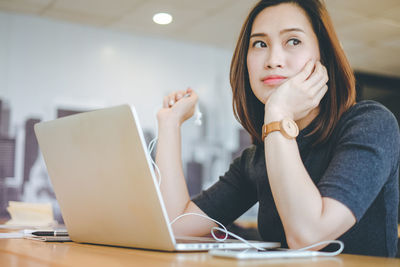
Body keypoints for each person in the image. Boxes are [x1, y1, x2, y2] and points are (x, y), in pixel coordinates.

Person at [155, 0, 400, 257]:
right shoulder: (257, 159)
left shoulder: (370, 123)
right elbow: (176, 227)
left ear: (323, 56)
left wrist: (278, 112)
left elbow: (307, 236)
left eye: (293, 41)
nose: (273, 60)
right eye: (260, 44)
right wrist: (169, 124)